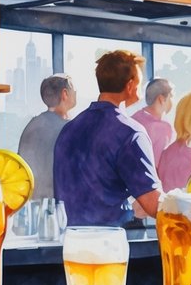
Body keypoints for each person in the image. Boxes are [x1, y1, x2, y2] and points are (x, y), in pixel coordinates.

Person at [53, 50, 162, 227]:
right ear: (130, 86)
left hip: (70, 241)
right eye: (139, 84)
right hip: (110, 243)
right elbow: (154, 205)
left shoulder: (69, 129)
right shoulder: (130, 133)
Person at [16, 74, 76, 201]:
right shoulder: (68, 129)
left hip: (30, 202)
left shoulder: (32, 126)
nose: (75, 93)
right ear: (64, 94)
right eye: (73, 91)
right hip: (58, 205)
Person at [131, 78, 175, 166]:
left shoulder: (133, 118)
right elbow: (157, 166)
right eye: (171, 97)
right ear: (161, 99)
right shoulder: (164, 128)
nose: (172, 101)